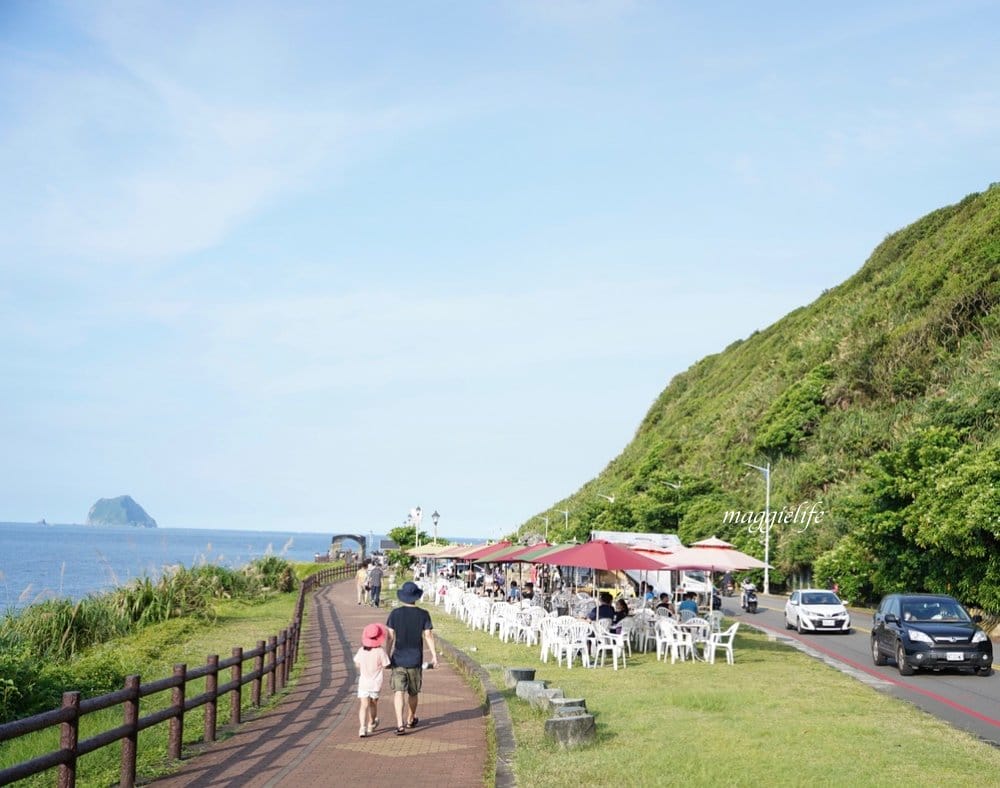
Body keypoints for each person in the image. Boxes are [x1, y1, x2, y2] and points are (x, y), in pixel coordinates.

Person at [385, 581, 437, 736]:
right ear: (416, 597)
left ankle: (399, 725)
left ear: (402, 597)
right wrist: (434, 656)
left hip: (398, 659)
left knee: (398, 691)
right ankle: (410, 718)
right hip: (415, 660)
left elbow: (390, 637)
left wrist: (386, 656)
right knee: (413, 692)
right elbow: (428, 635)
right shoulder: (423, 614)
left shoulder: (395, 614)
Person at [354, 623, 391, 738]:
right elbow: (386, 665)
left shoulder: (361, 651)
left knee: (363, 705)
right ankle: (371, 723)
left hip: (363, 683)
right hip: (375, 684)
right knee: (373, 705)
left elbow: (357, 663)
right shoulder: (380, 652)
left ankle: (362, 727)